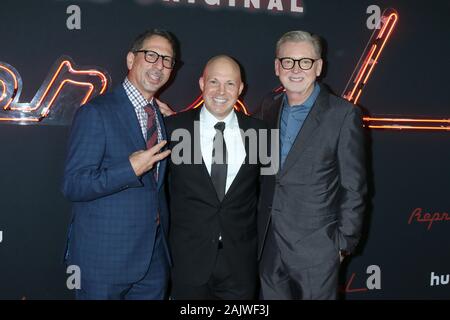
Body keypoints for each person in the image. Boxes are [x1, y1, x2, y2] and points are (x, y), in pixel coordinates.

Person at [62, 29, 177, 299]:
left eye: (167, 59)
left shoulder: (159, 116)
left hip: (153, 259)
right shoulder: (96, 112)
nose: (159, 65)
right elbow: (73, 184)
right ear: (130, 60)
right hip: (103, 262)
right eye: (151, 55)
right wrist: (129, 169)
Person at [257, 30, 367, 300]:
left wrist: (342, 245)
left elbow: (354, 186)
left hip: (317, 249)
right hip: (269, 245)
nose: (296, 69)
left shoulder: (342, 114)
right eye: (288, 61)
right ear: (276, 66)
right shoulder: (269, 107)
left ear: (318, 66)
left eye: (305, 61)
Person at [165, 55, 267, 299]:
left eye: (230, 84)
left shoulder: (260, 133)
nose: (221, 91)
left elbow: (269, 194)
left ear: (240, 88)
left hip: (239, 264)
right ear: (202, 84)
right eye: (214, 82)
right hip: (187, 261)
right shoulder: (173, 129)